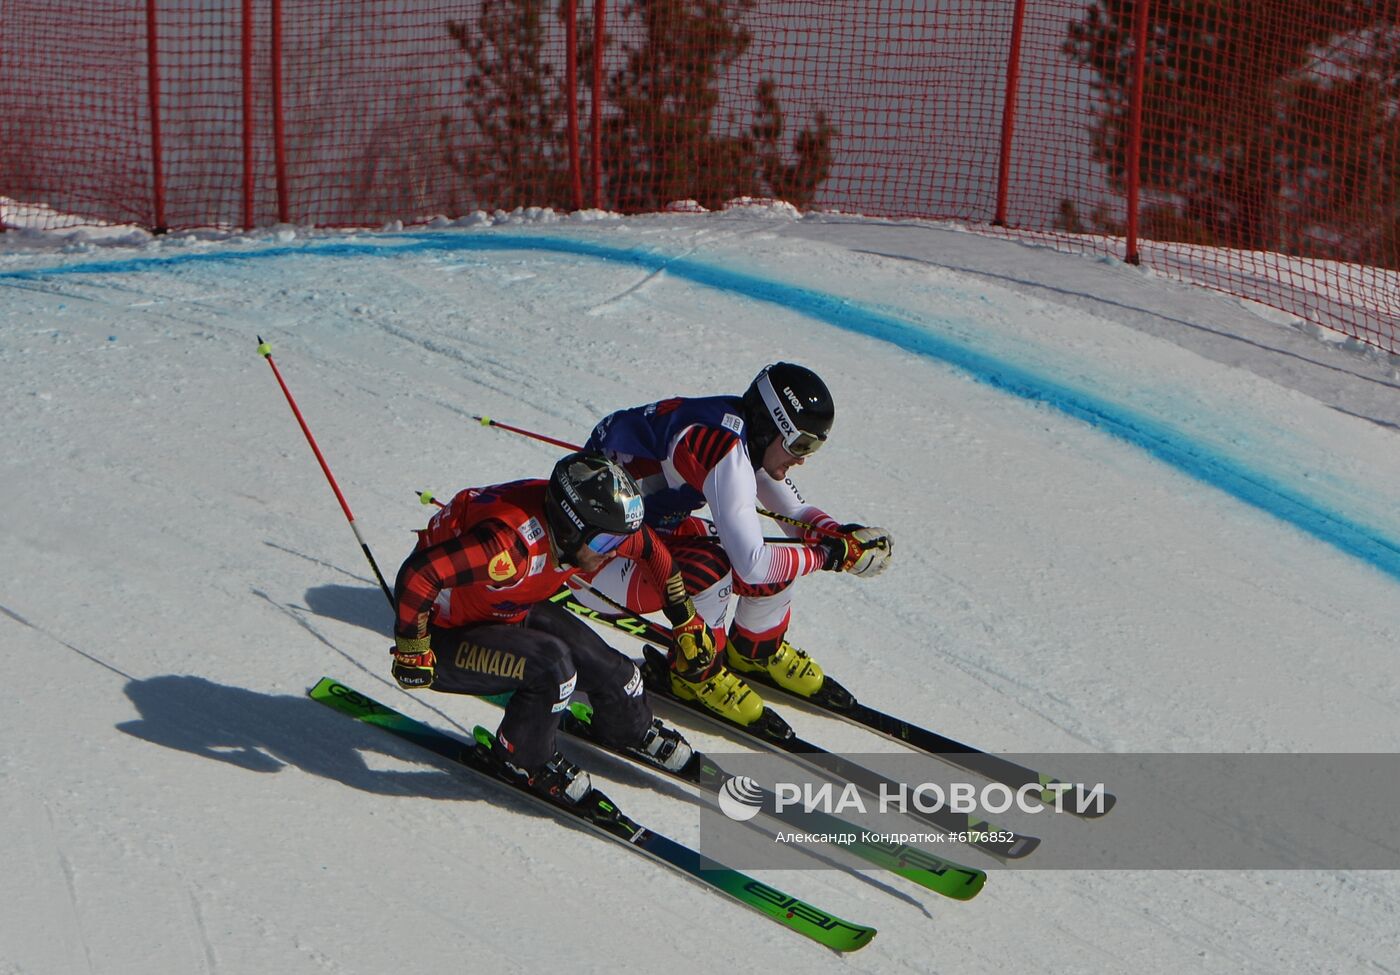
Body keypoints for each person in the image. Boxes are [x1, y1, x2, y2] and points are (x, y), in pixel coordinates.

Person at [388, 451, 720, 805]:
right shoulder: (508, 549)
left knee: (616, 672)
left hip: (505, 610)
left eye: (616, 541)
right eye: (604, 543)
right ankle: (521, 759)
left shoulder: (596, 530)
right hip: (445, 638)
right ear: (570, 525)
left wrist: (685, 618)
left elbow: (653, 551)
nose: (612, 553)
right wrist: (413, 648)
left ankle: (629, 729)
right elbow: (419, 575)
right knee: (553, 670)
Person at [578, 362, 893, 723]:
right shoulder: (720, 447)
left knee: (774, 559)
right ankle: (695, 673)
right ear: (773, 427)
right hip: (592, 562)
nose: (803, 459)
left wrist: (838, 537)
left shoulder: (745, 433)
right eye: (800, 444)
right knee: (714, 568)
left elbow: (792, 510)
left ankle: (755, 649)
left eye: (814, 447)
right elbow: (752, 563)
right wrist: (827, 556)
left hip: (648, 531)